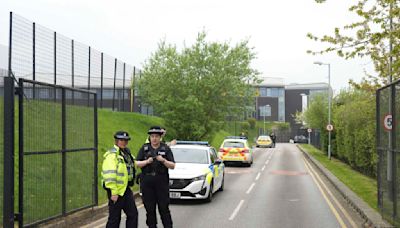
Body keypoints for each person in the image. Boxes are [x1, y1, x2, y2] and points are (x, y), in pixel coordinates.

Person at [136, 126, 176, 228]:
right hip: (147, 182)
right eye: (152, 136)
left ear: (160, 137)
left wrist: (163, 160)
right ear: (150, 137)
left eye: (156, 136)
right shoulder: (144, 148)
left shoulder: (165, 149)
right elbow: (137, 163)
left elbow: (172, 166)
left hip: (161, 182)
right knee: (150, 209)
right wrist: (146, 162)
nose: (154, 139)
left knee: (164, 208)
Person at [102, 131, 138, 228]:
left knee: (133, 215)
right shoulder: (112, 155)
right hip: (116, 191)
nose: (124, 142)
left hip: (125, 189)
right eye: (121, 140)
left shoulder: (127, 153)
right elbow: (109, 175)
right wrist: (114, 192)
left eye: (126, 140)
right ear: (116, 141)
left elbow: (133, 165)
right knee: (114, 219)